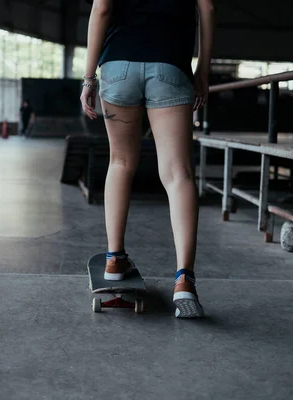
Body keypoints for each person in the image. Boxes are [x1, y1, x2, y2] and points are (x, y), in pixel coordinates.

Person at [80, 0, 215, 318]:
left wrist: (89, 79)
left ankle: (114, 259)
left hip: (118, 67)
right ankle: (184, 280)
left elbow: (101, 9)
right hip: (171, 64)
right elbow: (207, 9)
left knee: (120, 162)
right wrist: (203, 71)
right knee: (178, 173)